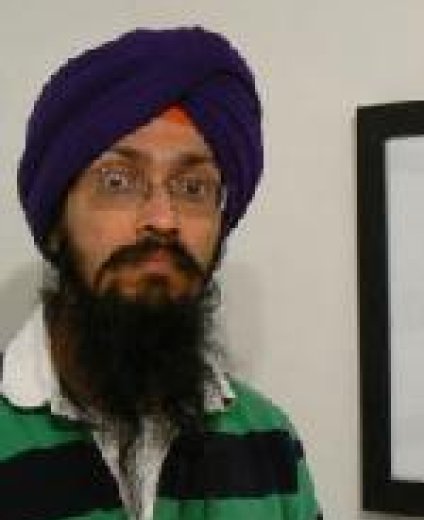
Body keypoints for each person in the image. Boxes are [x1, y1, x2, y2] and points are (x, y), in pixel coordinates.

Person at [0, 27, 321, 520]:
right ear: (57, 222)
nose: (163, 220)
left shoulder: (269, 443)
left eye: (193, 188)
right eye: (118, 181)